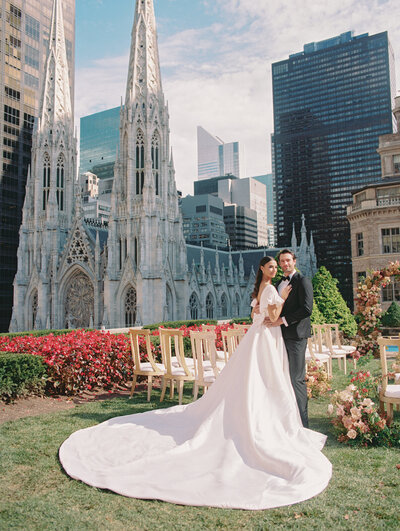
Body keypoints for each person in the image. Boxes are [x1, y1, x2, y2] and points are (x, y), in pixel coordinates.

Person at [59, 256, 331, 510]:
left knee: (263, 382)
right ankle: (274, 424)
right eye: (273, 265)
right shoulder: (273, 288)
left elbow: (258, 314)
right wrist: (281, 299)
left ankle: (275, 421)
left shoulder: (264, 288)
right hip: (266, 338)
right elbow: (271, 317)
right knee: (268, 382)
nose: (277, 268)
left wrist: (274, 304)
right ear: (264, 269)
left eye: (281, 264)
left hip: (263, 339)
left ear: (289, 263)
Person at [263, 250, 313, 428]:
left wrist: (281, 321)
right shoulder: (278, 284)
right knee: (281, 377)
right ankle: (286, 421)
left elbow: (307, 309)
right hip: (279, 337)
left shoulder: (303, 281)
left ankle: (303, 424)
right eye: (281, 262)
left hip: (296, 336)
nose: (285, 264)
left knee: (296, 379)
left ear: (294, 261)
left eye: (287, 261)